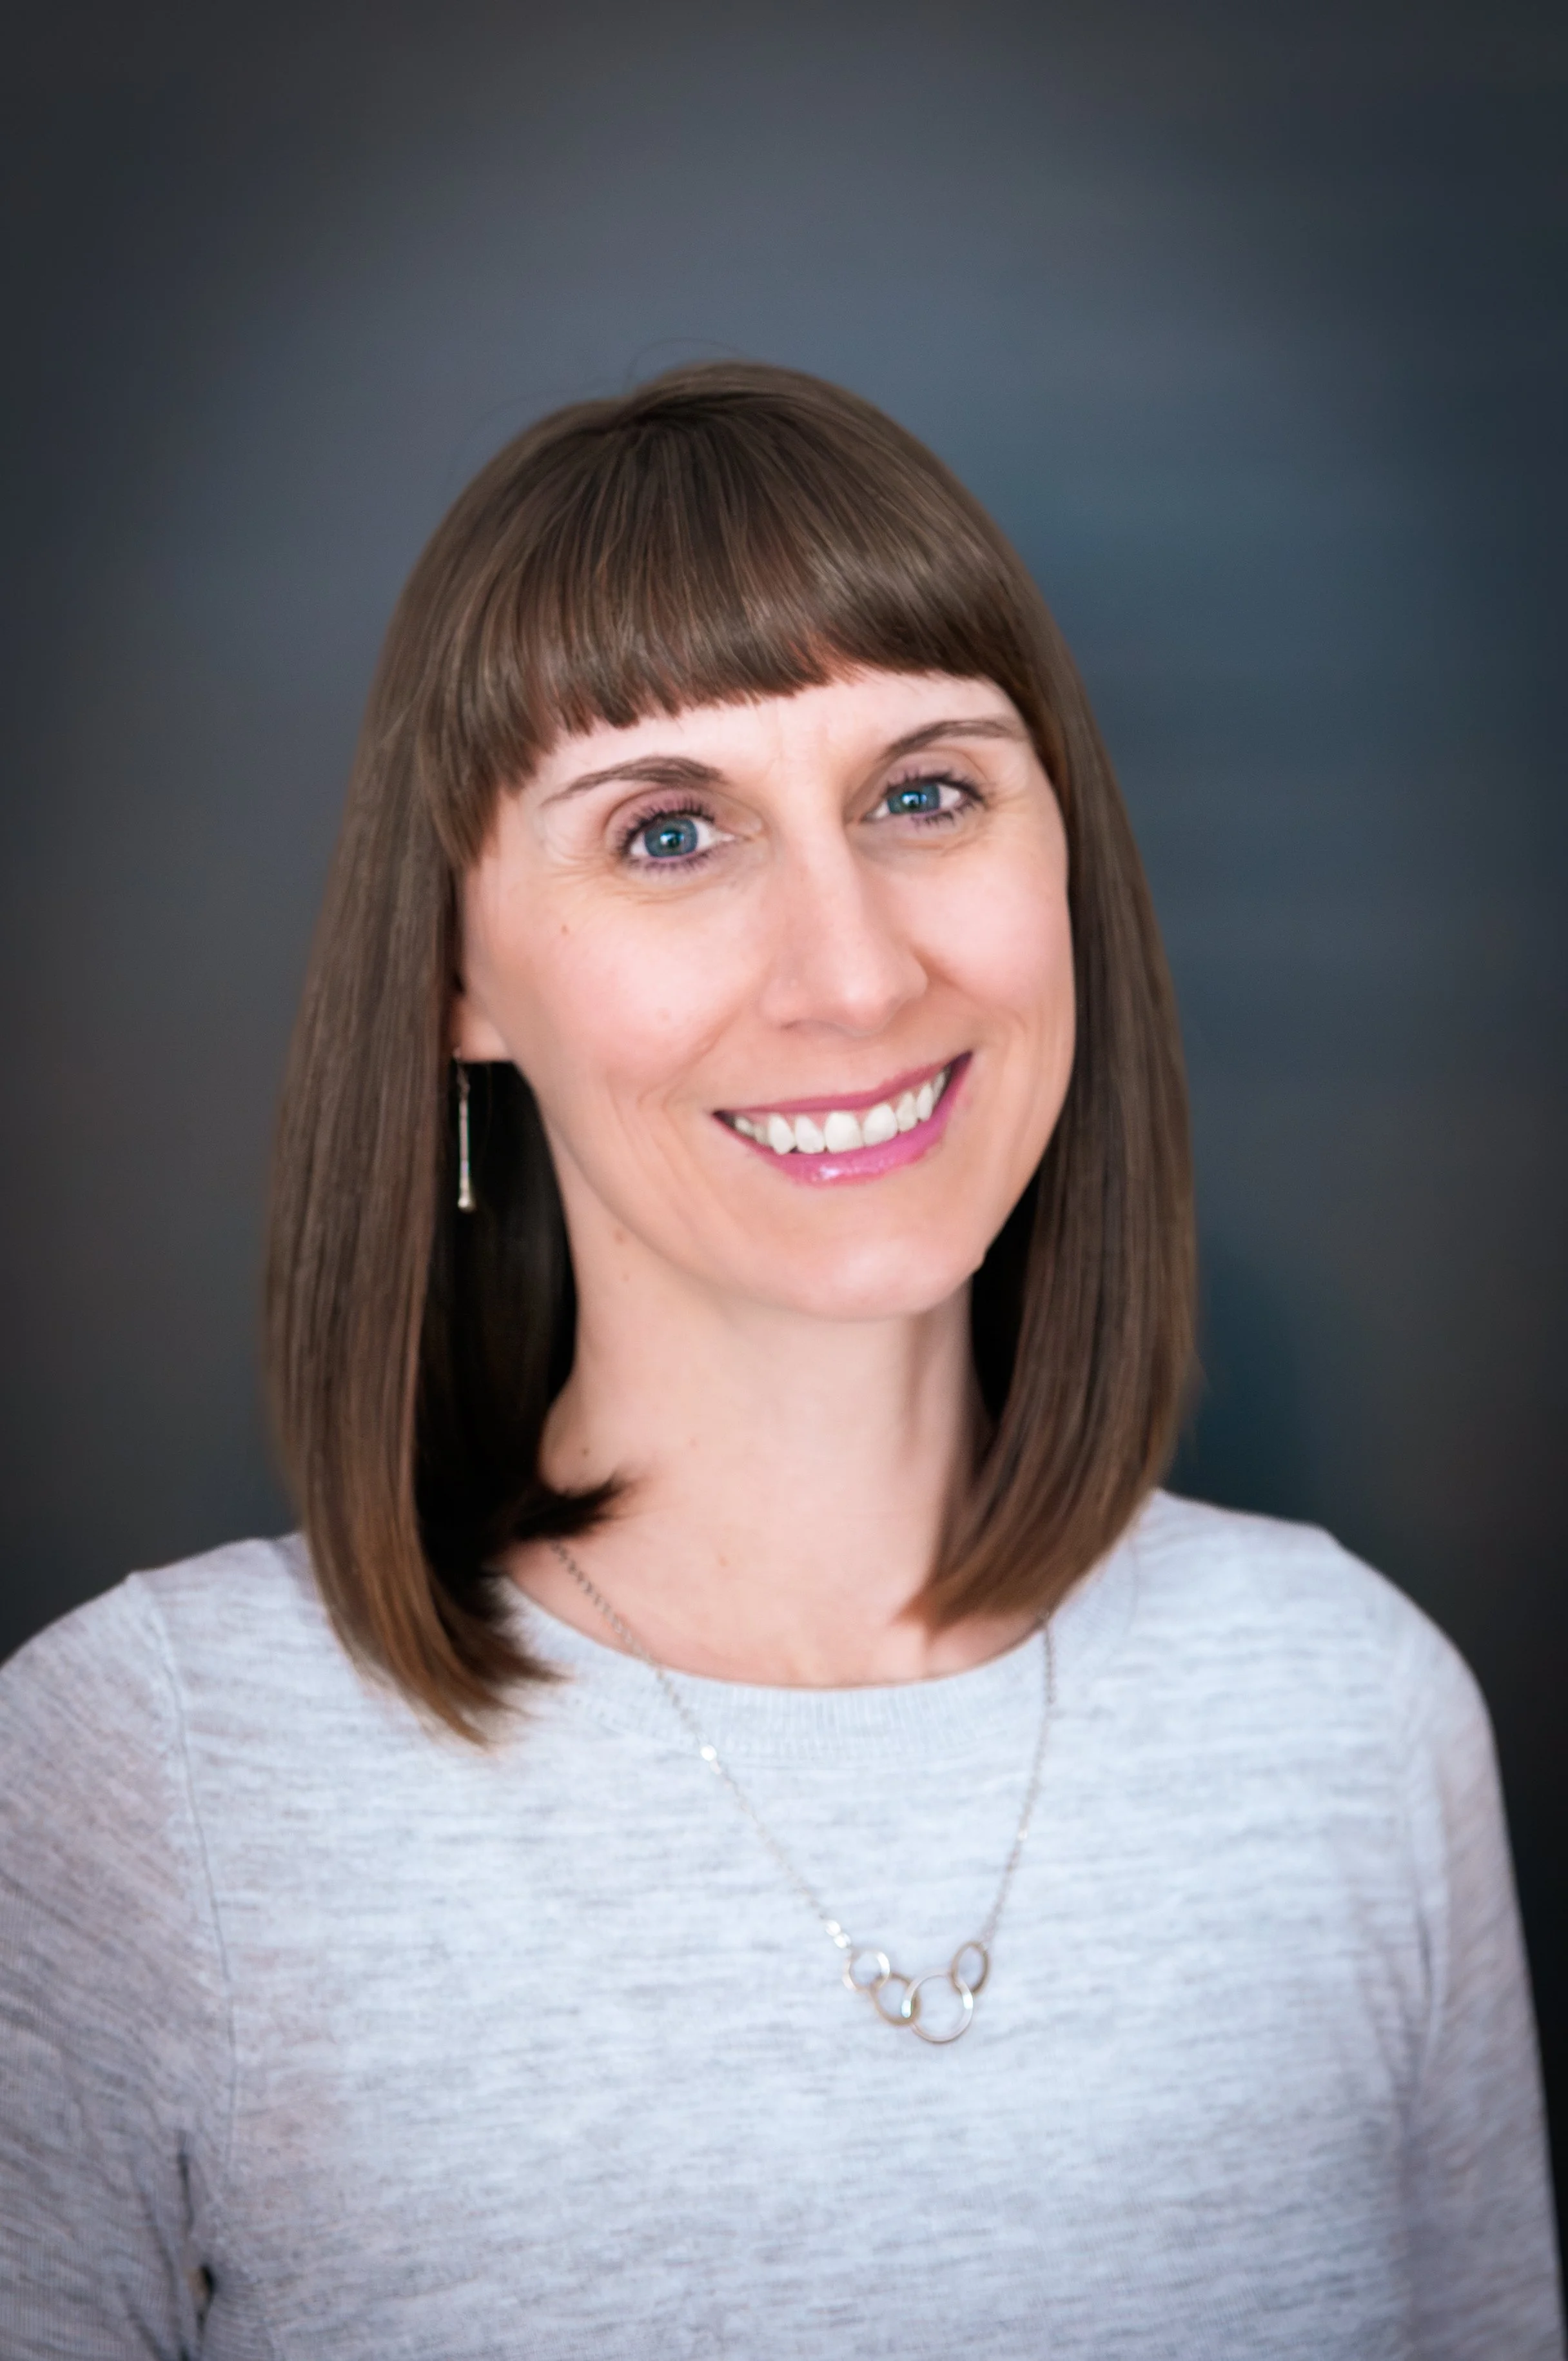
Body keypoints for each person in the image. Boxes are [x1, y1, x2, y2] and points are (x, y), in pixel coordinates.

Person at [0, 361, 1560, 2361]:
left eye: (925, 794)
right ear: (460, 974)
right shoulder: (146, 1782)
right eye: (669, 832)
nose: (854, 973)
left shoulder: (1359, 1712)